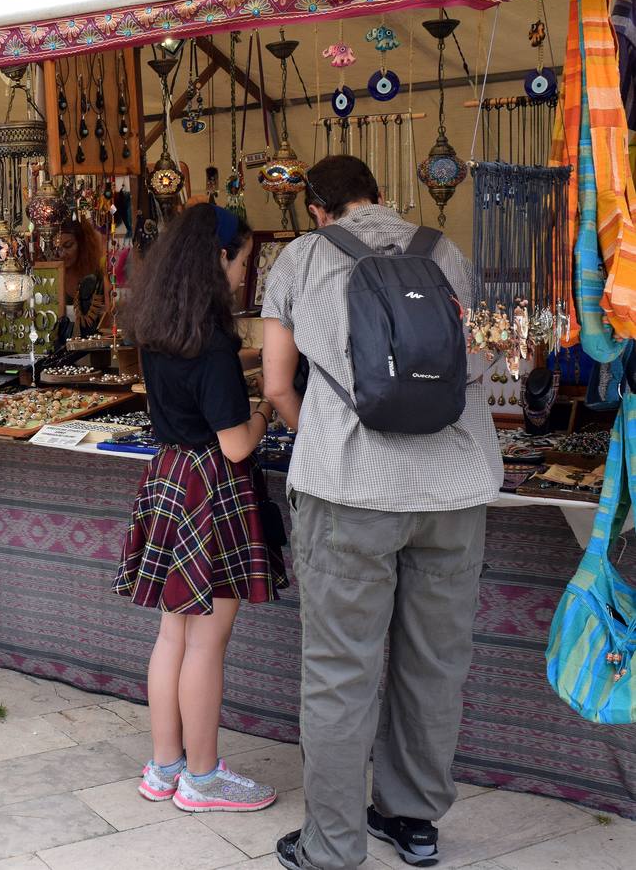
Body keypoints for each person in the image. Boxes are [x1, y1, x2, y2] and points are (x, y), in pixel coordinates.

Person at [260, 156, 501, 870]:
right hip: (454, 490)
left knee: (340, 671)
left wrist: (323, 437)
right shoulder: (443, 250)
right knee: (435, 663)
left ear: (314, 208)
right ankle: (413, 820)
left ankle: (331, 846)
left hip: (349, 493)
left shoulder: (300, 258)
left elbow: (276, 383)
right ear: (382, 195)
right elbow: (483, 356)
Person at [114, 202, 283, 814]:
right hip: (213, 486)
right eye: (242, 259)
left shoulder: (160, 327)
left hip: (169, 477)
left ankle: (166, 769)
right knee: (207, 644)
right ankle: (204, 779)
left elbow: (194, 388)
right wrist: (266, 403)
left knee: (172, 637)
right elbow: (236, 441)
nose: (244, 273)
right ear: (218, 258)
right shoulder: (211, 343)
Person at [56, 218, 111, 339]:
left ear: (82, 245)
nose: (62, 254)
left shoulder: (97, 276)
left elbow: (108, 313)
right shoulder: (54, 275)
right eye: (58, 248)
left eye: (68, 245)